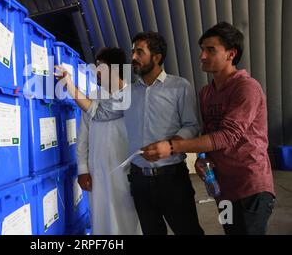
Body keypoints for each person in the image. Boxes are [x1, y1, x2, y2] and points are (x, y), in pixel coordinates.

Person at [56, 32, 204, 235]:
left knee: (188, 231)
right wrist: (69, 85)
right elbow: (97, 113)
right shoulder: (128, 94)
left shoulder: (179, 87)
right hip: (140, 180)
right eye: (132, 52)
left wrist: (171, 146)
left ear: (157, 57)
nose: (133, 57)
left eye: (139, 52)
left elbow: (191, 125)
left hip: (171, 177)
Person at [144, 22, 275, 235]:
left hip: (250, 188)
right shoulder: (207, 92)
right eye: (202, 49)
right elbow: (208, 131)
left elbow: (227, 135)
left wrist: (172, 146)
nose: (202, 56)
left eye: (210, 50)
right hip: (222, 188)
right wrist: (204, 157)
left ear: (231, 54)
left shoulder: (247, 88)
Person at [76, 47, 142, 235]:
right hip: (98, 173)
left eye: (101, 67)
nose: (96, 72)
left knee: (131, 220)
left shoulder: (134, 96)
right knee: (102, 220)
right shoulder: (91, 99)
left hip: (127, 171)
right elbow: (83, 139)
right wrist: (83, 170)